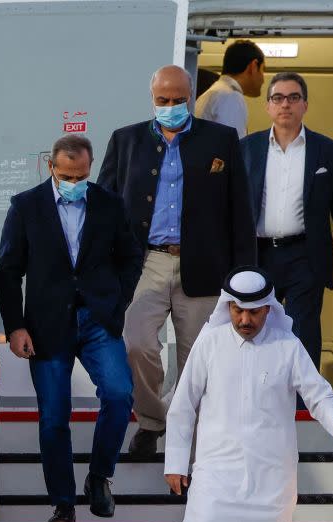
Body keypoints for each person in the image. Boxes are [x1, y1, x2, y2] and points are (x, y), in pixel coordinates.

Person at [97, 65, 256, 460]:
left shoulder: (221, 139)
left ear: (190, 97)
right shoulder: (126, 140)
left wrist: (245, 277)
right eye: (161, 101)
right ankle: (152, 421)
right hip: (145, 263)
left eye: (177, 100)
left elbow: (240, 210)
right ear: (152, 99)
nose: (169, 107)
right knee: (135, 344)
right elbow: (104, 207)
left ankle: (188, 445)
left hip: (203, 264)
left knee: (197, 358)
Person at [0, 134, 143, 522]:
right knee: (53, 417)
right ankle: (63, 502)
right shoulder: (26, 206)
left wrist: (117, 301)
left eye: (80, 175)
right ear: (51, 167)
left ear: (90, 168)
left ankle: (99, 477)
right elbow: (8, 271)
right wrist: (15, 327)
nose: (74, 182)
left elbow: (130, 257)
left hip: (98, 319)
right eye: (66, 175)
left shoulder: (110, 204)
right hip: (46, 325)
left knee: (118, 393)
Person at [164, 267, 333, 522]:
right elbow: (183, 404)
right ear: (228, 306)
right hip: (216, 476)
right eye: (238, 310)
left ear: (268, 310)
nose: (245, 319)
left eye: (254, 312)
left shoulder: (287, 345)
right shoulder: (210, 342)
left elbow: (318, 394)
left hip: (271, 483)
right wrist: (176, 463)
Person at [239, 72, 333, 371]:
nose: (285, 105)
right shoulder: (247, 149)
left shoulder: (327, 151)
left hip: (305, 256)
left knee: (302, 333)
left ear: (305, 105)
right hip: (258, 255)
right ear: (268, 106)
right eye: (278, 98)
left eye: (293, 98)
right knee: (253, 329)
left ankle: (302, 407)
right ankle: (258, 399)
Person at [194, 39, 266, 137]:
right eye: (262, 70)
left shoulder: (214, 93)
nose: (263, 79)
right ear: (253, 66)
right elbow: (233, 147)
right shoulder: (230, 97)